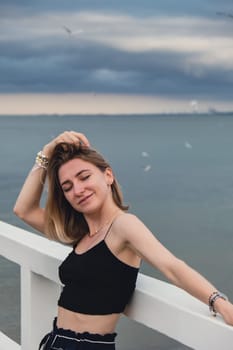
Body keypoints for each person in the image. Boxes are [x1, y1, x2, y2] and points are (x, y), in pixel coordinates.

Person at [14, 130, 233, 350]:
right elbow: (24, 210)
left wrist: (219, 302)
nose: (78, 190)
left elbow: (171, 266)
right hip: (56, 341)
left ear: (108, 176)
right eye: (68, 187)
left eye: (84, 177)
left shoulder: (123, 226)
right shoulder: (80, 234)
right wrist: (46, 153)